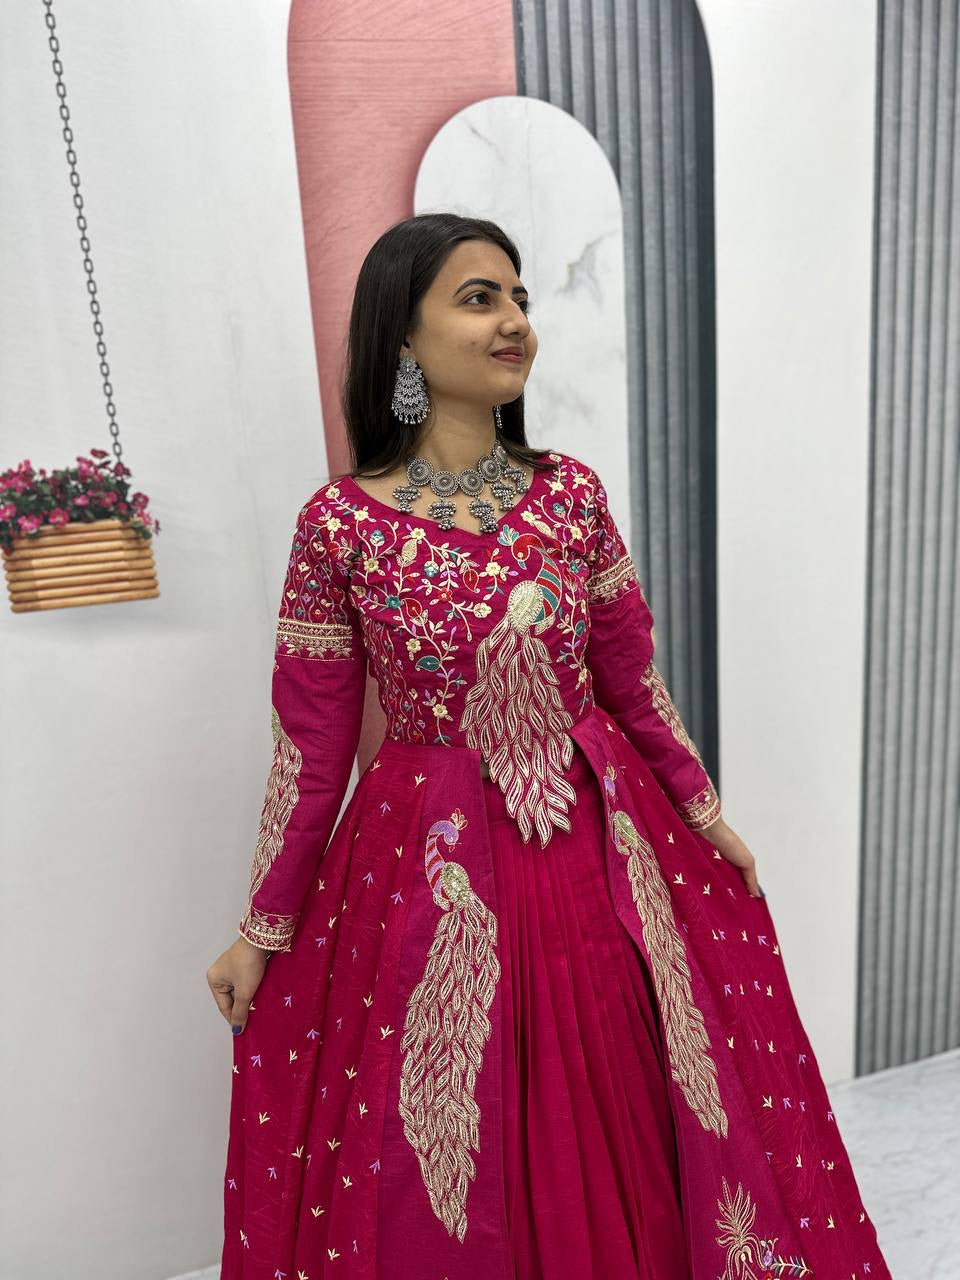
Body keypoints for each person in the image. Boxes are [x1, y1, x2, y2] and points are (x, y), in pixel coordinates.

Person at [207, 213, 892, 1279]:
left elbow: (631, 678)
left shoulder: (569, 495)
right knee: (451, 1119)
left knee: (626, 1092)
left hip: (594, 851)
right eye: (479, 298)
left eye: (521, 299)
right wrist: (263, 926)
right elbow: (311, 746)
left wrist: (705, 813)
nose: (515, 321)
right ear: (402, 334)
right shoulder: (338, 526)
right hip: (428, 868)